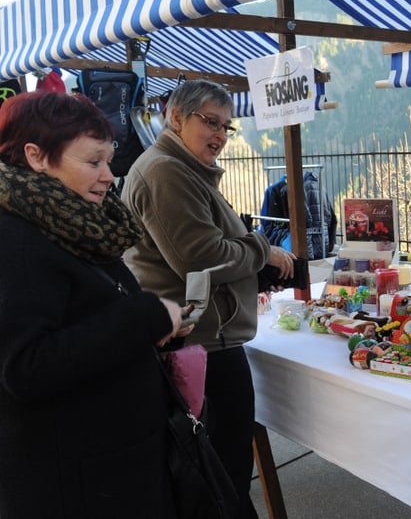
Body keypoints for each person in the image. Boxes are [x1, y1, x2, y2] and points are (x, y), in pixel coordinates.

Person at [0, 91, 191, 518]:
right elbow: (26, 365)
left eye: (109, 160)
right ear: (36, 156)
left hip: (111, 469)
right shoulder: (15, 238)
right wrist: (145, 316)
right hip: (75, 484)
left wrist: (154, 329)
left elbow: (88, 323)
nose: (109, 175)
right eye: (93, 162)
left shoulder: (69, 224)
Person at [122, 80, 295, 519]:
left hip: (204, 341)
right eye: (210, 122)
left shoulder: (182, 168)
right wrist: (263, 249)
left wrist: (251, 273)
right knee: (220, 478)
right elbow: (199, 258)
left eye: (227, 126)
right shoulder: (165, 171)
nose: (219, 134)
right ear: (176, 118)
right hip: (199, 348)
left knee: (221, 474)